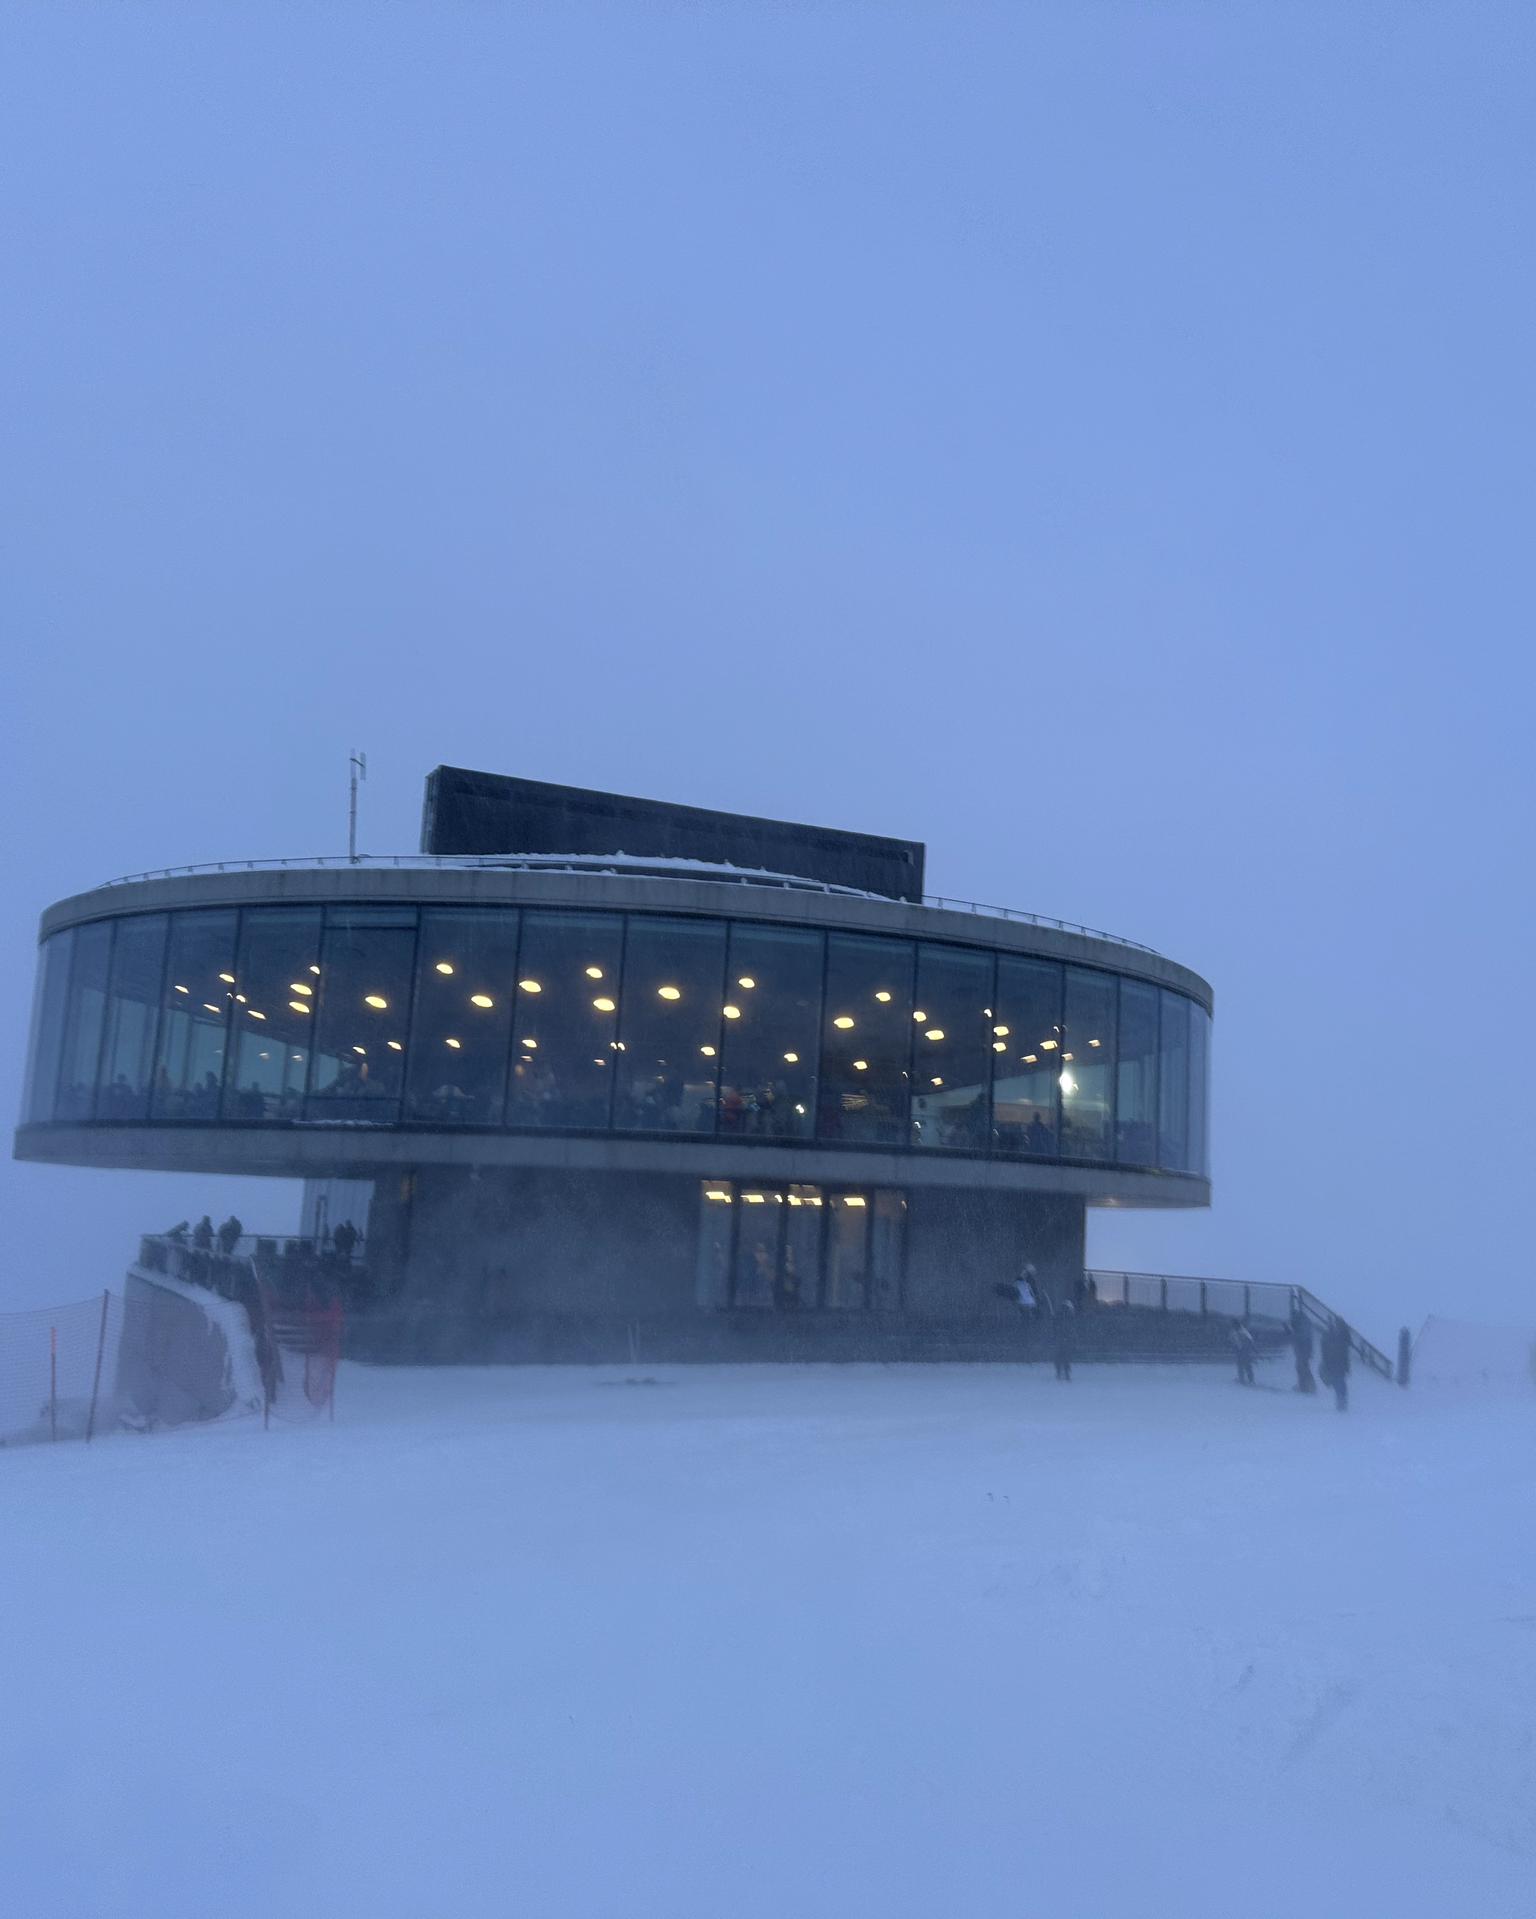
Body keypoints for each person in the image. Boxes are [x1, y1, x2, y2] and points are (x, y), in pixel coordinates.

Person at [1319, 1316, 1352, 1412]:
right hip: (1338, 1362)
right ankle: (1341, 1400)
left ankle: (1341, 1401)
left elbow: (1325, 1347)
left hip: (1335, 1362)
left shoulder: (1338, 1334)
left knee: (1338, 1381)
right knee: (1339, 1381)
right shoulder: (1341, 1334)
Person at [1289, 1307, 1317, 1394]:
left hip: (1302, 1347)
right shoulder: (1304, 1322)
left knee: (1302, 1366)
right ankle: (1304, 1385)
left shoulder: (1299, 1323)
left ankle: (1309, 1386)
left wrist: (1296, 1343)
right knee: (1302, 1366)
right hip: (1304, 1347)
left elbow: (1298, 1336)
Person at [1050, 1294, 1077, 1382]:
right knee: (1066, 1356)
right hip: (1067, 1338)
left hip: (1059, 1337)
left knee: (1058, 1356)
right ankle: (1066, 1373)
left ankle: (1059, 1372)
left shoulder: (1058, 1313)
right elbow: (1072, 1327)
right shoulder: (1070, 1314)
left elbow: (1054, 1325)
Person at [1230, 1319, 1257, 1386]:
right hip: (1241, 1351)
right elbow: (1234, 1342)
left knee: (1245, 1366)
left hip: (1244, 1351)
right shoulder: (1237, 1332)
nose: (1234, 1326)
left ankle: (1249, 1380)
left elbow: (1250, 1341)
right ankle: (1244, 1379)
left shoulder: (1242, 1332)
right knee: (1242, 1366)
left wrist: (1251, 1348)